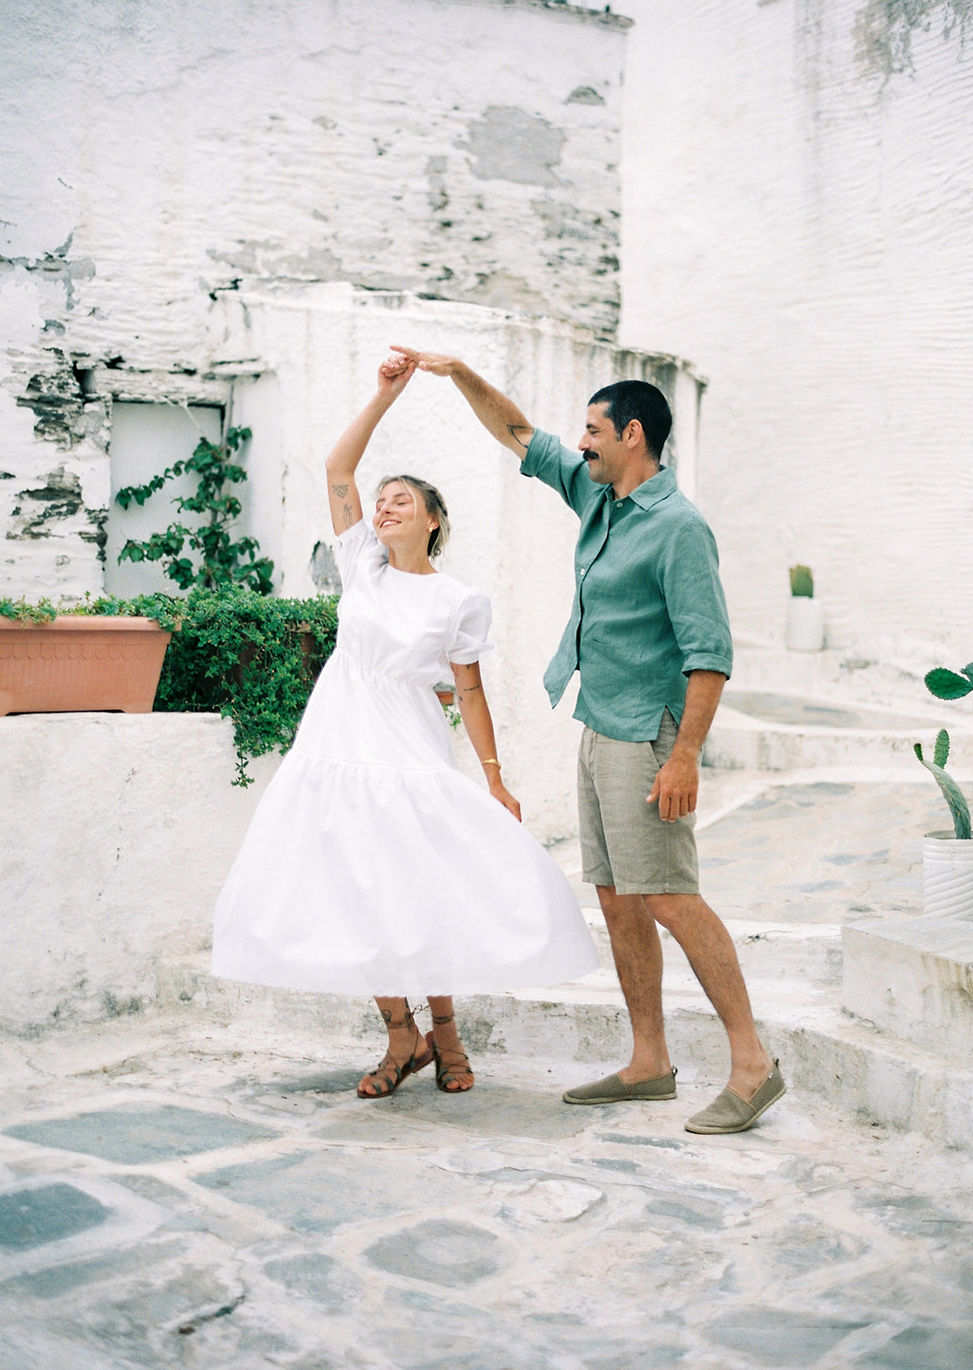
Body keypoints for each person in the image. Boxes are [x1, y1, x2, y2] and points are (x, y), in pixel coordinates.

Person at [390, 345, 785, 1134]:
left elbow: (710, 655)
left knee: (670, 896)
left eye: (593, 430)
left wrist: (684, 758)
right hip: (600, 722)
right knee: (616, 898)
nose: (580, 443)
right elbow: (517, 433)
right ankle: (649, 1062)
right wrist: (456, 371)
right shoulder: (598, 497)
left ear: (632, 435)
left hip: (650, 734)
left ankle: (753, 1064)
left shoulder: (679, 529)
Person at [211, 355, 599, 1098]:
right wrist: (385, 395)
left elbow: (472, 694)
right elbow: (335, 467)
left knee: (421, 884)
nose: (382, 507)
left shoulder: (458, 600)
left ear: (433, 520)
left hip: (410, 745)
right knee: (355, 888)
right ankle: (400, 1035)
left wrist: (493, 779)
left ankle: (445, 1033)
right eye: (379, 500)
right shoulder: (362, 566)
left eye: (400, 500)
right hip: (336, 742)